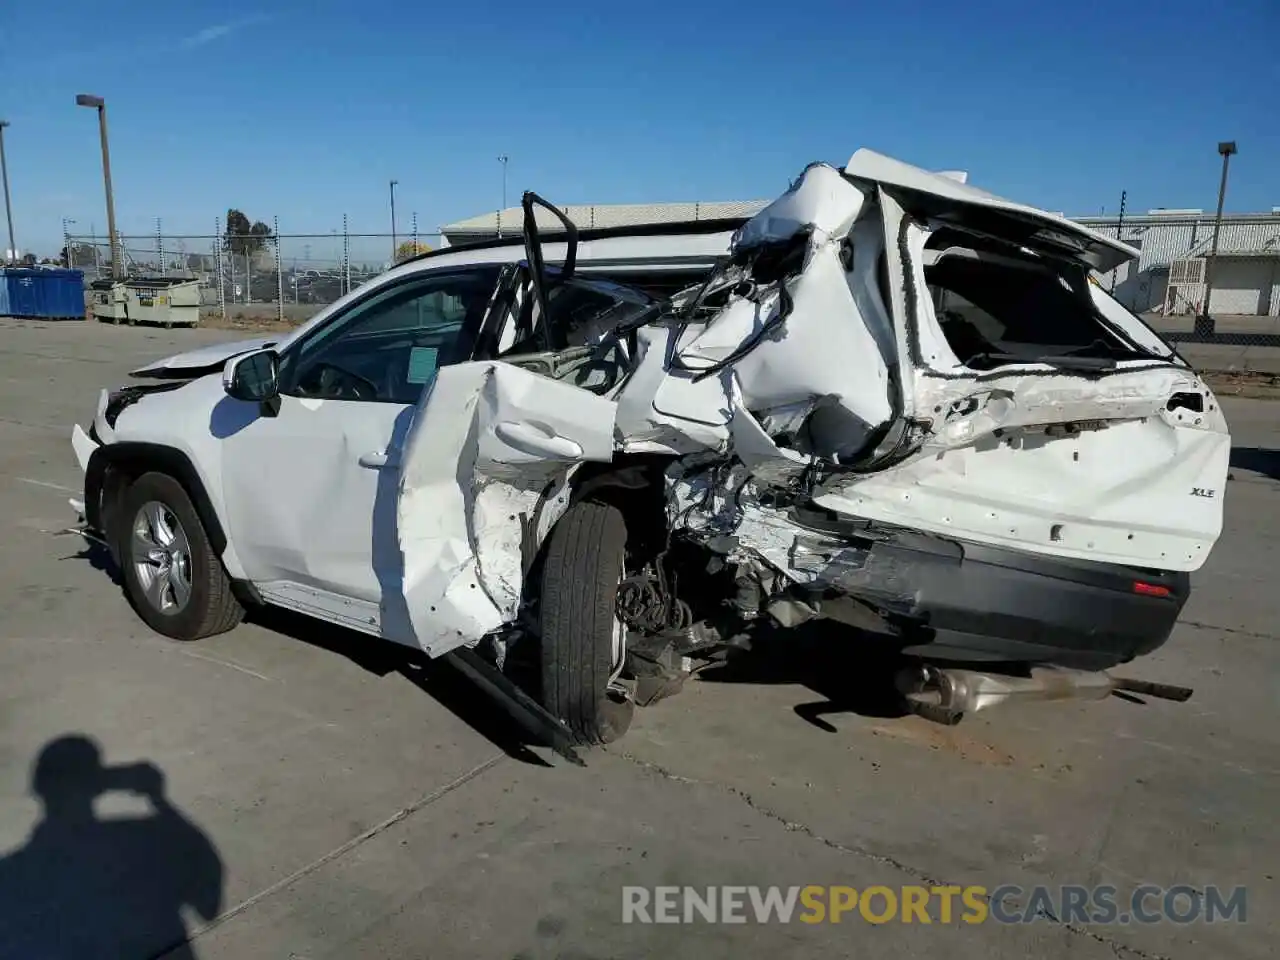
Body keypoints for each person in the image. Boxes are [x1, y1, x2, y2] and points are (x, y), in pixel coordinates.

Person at [0, 735, 223, 959]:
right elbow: (208, 902)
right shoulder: (143, 842)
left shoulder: (10, 877)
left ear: (39, 789)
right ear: (99, 785)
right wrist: (159, 801)